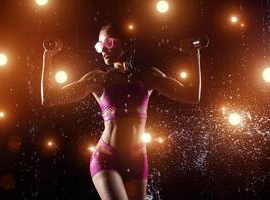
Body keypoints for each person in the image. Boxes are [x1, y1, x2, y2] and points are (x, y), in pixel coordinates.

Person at [41, 23, 202, 200]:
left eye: (108, 43)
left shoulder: (147, 76)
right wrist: (48, 56)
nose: (102, 49)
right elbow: (49, 98)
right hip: (106, 157)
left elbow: (192, 95)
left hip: (138, 159)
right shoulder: (99, 79)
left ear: (126, 43)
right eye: (99, 45)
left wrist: (194, 53)